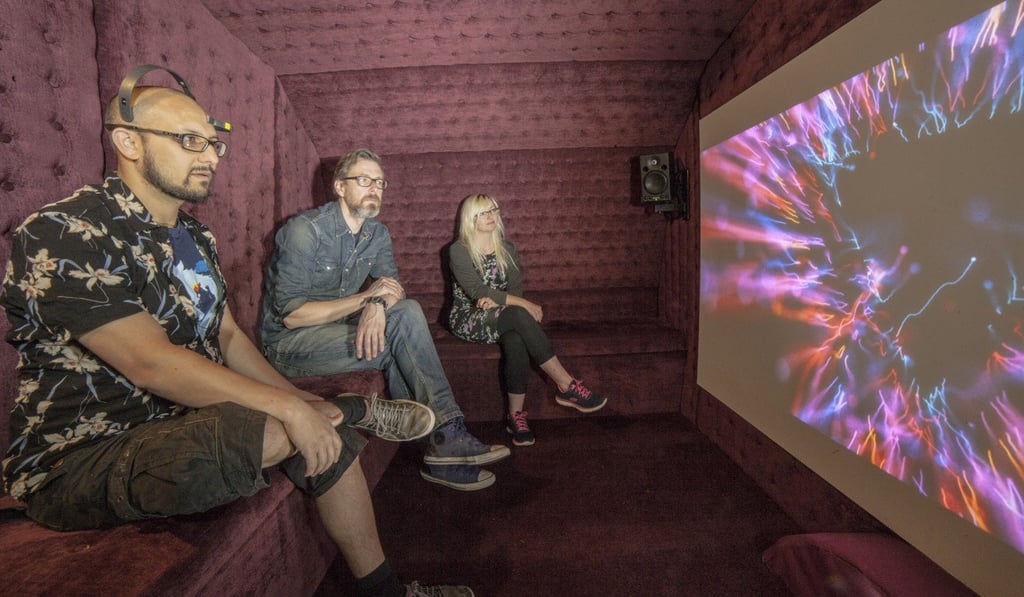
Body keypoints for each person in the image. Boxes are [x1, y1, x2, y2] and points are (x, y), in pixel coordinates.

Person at [0, 77, 472, 597]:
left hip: (184, 416)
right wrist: (295, 410)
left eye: (213, 142)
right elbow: (151, 364)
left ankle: (384, 589)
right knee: (281, 429)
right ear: (129, 142)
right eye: (189, 140)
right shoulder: (68, 229)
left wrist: (295, 399)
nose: (210, 156)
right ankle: (352, 408)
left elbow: (226, 336)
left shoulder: (196, 236)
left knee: (315, 427)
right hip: (84, 455)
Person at [261, 149, 509, 492]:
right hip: (289, 347)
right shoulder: (305, 231)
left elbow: (394, 289)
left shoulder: (376, 234)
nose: (374, 188)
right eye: (363, 180)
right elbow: (292, 316)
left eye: (379, 182)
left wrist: (377, 302)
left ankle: (444, 448)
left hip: (335, 335)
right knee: (400, 336)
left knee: (404, 316)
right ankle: (446, 440)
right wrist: (366, 298)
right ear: (339, 187)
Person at [447, 194, 608, 446]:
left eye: (493, 210)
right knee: (519, 314)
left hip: (502, 314)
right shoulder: (458, 250)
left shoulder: (507, 248)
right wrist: (520, 303)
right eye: (483, 213)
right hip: (469, 316)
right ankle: (566, 385)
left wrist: (502, 301)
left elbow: (514, 290)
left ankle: (515, 417)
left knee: (516, 337)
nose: (491, 216)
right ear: (470, 219)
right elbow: (478, 292)